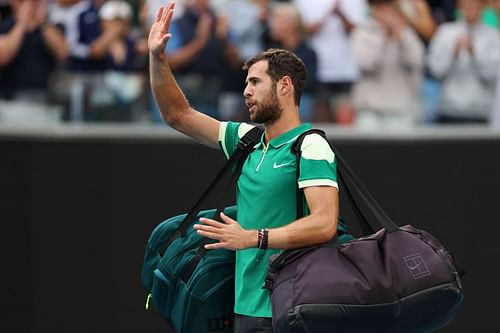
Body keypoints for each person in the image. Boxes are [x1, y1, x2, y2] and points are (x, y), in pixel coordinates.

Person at [148, 3, 339, 332]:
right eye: (246, 83)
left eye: (255, 82)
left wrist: (253, 237)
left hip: (290, 309)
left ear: (284, 86)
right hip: (245, 308)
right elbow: (177, 114)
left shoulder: (310, 145)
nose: (246, 91)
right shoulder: (247, 138)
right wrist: (157, 57)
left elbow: (324, 224)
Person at [351, 0, 424, 128]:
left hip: (401, 110)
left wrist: (400, 37)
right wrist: (384, 38)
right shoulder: (362, 33)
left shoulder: (407, 33)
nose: (383, 12)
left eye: (387, 8)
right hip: (369, 111)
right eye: (379, 8)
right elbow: (366, 64)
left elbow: (416, 62)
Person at [427, 0, 500, 124]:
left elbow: (491, 75)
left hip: (480, 110)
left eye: (475, 4)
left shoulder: (493, 35)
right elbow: (436, 71)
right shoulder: (445, 31)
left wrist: (474, 52)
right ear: (459, 6)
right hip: (448, 109)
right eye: (466, 4)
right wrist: (453, 52)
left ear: (482, 7)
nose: (470, 8)